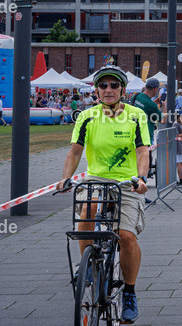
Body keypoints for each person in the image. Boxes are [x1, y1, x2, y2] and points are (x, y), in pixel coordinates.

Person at [59, 65, 150, 323]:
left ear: (122, 89)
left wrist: (142, 178)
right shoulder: (86, 116)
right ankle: (86, 266)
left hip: (126, 180)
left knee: (126, 237)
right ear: (97, 90)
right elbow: (75, 152)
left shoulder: (136, 115)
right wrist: (65, 178)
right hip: (96, 178)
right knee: (87, 211)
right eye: (103, 85)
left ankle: (129, 292)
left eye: (113, 85)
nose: (108, 90)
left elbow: (143, 150)